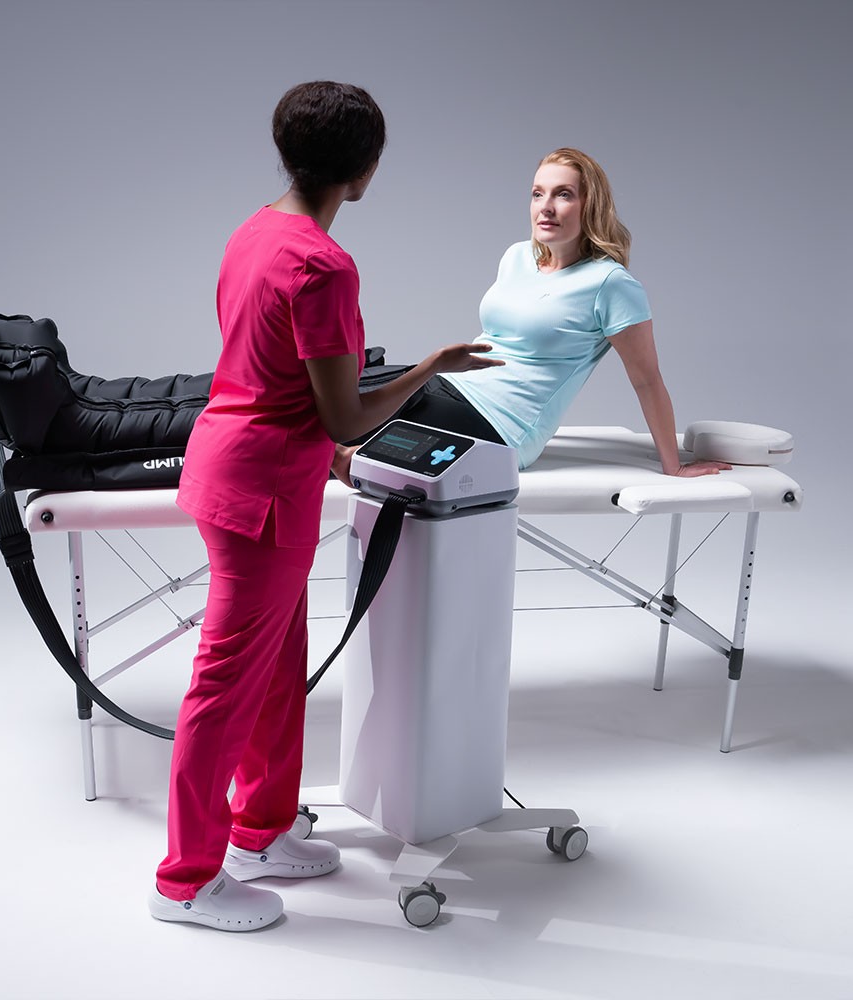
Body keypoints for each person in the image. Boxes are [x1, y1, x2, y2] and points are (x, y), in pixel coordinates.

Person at [148, 81, 500, 933]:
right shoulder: (324, 265)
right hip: (261, 493)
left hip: (243, 467)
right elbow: (343, 413)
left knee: (277, 666)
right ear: (365, 170)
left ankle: (259, 832)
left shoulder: (253, 231)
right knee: (225, 686)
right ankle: (185, 882)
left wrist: (329, 449)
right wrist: (429, 368)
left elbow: (274, 374)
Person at [333, 147, 730, 482]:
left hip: (500, 422)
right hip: (448, 387)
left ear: (590, 205)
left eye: (563, 195)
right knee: (341, 387)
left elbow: (647, 379)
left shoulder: (610, 283)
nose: (546, 207)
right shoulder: (517, 256)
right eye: (538, 194)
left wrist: (673, 465)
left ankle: (340, 456)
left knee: (343, 418)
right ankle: (337, 454)